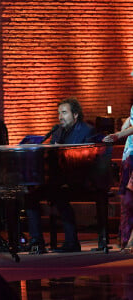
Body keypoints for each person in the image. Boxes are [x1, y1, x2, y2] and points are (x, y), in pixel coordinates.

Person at [26, 96, 96, 253]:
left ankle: (72, 243)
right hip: (59, 179)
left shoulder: (87, 130)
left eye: (64, 113)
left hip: (82, 180)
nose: (60, 117)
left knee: (59, 194)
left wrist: (63, 151)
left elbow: (88, 159)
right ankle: (37, 242)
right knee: (30, 195)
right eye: (59, 113)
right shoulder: (57, 131)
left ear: (75, 114)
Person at [103, 107, 133, 252]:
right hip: (129, 155)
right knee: (127, 201)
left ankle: (130, 241)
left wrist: (119, 134)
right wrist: (128, 120)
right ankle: (126, 238)